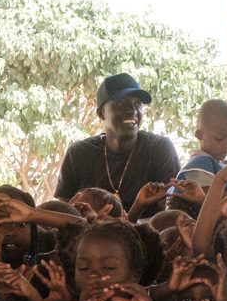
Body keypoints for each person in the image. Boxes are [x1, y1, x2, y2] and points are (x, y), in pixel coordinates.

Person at [54, 73, 180, 209]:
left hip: (148, 230)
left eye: (137, 104)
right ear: (101, 113)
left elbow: (168, 214)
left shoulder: (159, 149)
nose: (132, 111)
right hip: (88, 230)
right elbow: (65, 213)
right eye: (120, 104)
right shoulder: (79, 154)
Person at [183, 99, 227, 175]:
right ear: (200, 135)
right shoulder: (199, 165)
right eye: (219, 139)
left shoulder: (220, 163)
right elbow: (211, 187)